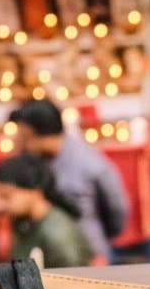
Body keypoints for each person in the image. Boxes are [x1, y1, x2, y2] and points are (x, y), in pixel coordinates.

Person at [10, 99, 129, 265]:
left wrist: (101, 239)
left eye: (23, 136)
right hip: (50, 253)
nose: (19, 142)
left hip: (89, 256)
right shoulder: (34, 161)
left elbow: (117, 208)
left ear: (36, 134)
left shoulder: (89, 162)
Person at [0, 153, 95, 269]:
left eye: (6, 196)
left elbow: (72, 281)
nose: (1, 204)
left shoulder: (58, 236)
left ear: (35, 191)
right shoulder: (23, 220)